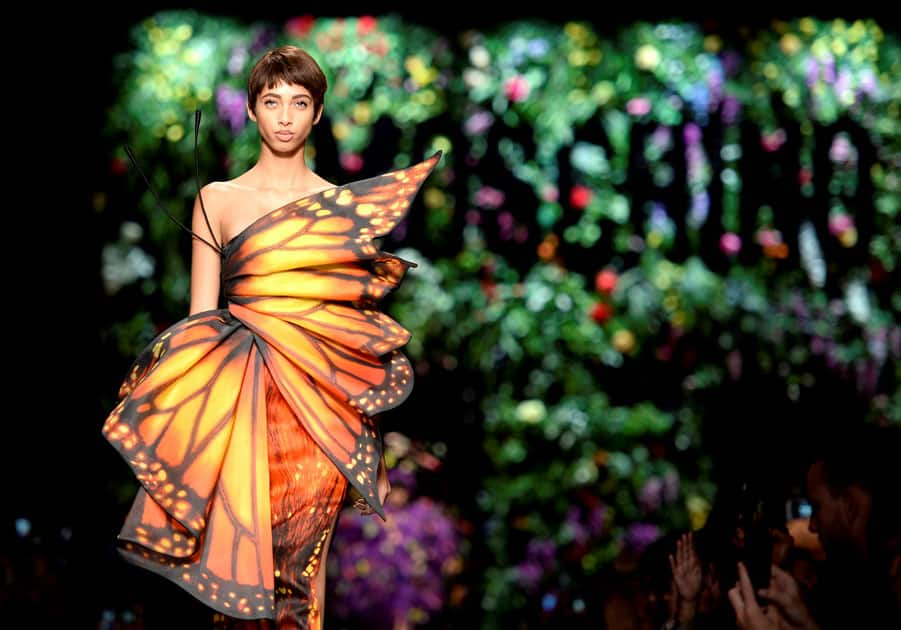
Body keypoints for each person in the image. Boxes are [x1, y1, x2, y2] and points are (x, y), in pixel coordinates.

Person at [102, 45, 441, 629]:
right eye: (272, 101)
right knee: (237, 564)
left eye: (299, 102)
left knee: (302, 567)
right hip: (240, 403)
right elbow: (200, 321)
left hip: (317, 410)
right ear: (254, 112)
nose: (285, 115)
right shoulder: (218, 199)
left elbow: (345, 326)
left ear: (317, 113)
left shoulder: (338, 209)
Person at [728, 422, 901, 629]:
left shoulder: (892, 578)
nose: (812, 527)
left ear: (849, 505)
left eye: (816, 507)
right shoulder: (873, 578)